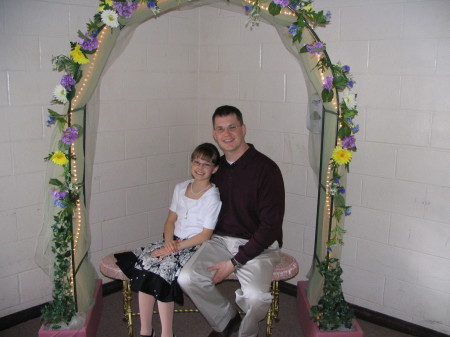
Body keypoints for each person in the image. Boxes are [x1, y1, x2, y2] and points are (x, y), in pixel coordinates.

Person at [178, 105, 285, 337]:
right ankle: (226, 321)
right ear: (214, 134)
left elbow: (271, 227)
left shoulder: (267, 169)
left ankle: (244, 334)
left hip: (260, 247)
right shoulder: (215, 170)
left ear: (243, 129)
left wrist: (235, 262)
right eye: (220, 129)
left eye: (232, 128)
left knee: (256, 299)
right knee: (187, 278)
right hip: (219, 242)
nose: (227, 134)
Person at [115, 143, 222, 337]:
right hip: (172, 241)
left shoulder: (212, 197)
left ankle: (167, 333)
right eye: (196, 162)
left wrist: (174, 248)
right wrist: (167, 242)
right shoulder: (180, 187)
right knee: (146, 265)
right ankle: (146, 330)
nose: (200, 168)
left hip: (194, 246)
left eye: (206, 164)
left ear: (215, 169)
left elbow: (205, 235)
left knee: (163, 272)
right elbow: (170, 220)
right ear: (191, 163)